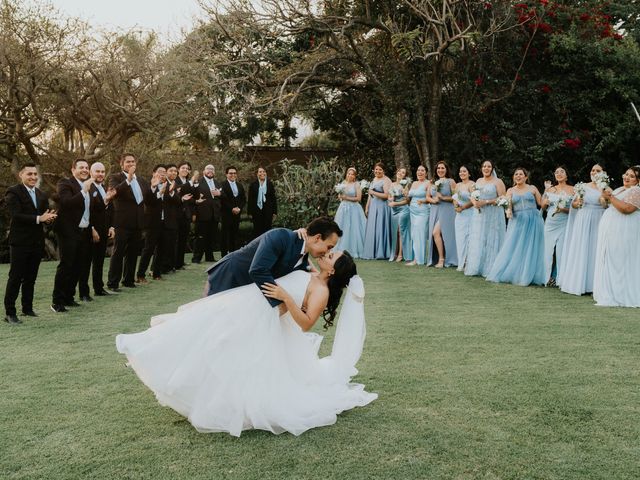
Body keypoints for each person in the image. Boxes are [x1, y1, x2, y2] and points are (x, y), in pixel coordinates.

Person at [116, 250, 377, 436]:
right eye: (329, 251)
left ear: (332, 270)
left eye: (331, 256)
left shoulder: (322, 290)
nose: (326, 253)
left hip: (272, 326)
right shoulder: (310, 271)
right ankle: (150, 351)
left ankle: (226, 404)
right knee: (207, 336)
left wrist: (285, 297)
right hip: (256, 314)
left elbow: (307, 323)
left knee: (238, 360)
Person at [205, 216, 342, 302]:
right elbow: (258, 270)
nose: (328, 252)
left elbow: (316, 278)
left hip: (245, 290)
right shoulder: (280, 236)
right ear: (318, 238)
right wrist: (281, 302)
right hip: (229, 276)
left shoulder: (303, 261)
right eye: (329, 247)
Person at [4, 164, 57, 324]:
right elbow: (16, 215)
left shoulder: (41, 194)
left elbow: (44, 216)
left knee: (30, 278)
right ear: (21, 175)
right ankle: (10, 313)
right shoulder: (13, 191)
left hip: (36, 242)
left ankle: (27, 308)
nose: (33, 177)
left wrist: (49, 218)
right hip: (20, 242)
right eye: (29, 174)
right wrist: (38, 218)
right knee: (15, 277)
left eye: (35, 174)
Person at [487, 167, 545, 286]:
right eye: (516, 174)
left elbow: (541, 203)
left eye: (521, 174)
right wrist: (508, 211)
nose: (518, 176)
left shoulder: (532, 188)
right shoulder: (510, 191)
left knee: (532, 247)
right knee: (516, 246)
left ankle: (530, 274)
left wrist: (548, 192)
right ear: (514, 177)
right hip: (518, 221)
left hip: (534, 220)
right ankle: (515, 273)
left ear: (526, 177)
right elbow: (508, 205)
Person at [557, 163, 607, 296]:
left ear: (603, 173)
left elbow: (606, 205)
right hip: (583, 218)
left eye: (598, 170)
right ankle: (578, 283)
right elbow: (574, 203)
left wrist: (603, 196)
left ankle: (593, 285)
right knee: (582, 247)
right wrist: (577, 203)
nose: (594, 172)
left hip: (598, 218)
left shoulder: (606, 189)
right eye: (592, 170)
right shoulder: (583, 186)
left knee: (595, 249)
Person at [593, 166, 640, 307]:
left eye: (631, 176)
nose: (626, 177)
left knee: (621, 261)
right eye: (626, 174)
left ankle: (622, 294)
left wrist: (610, 197)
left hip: (625, 231)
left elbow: (627, 209)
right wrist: (604, 196)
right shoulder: (620, 189)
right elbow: (608, 204)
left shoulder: (637, 191)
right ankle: (611, 292)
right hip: (613, 231)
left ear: (638, 181)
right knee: (611, 260)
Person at [51, 159, 93, 311]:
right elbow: (67, 203)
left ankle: (69, 297)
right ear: (73, 169)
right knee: (66, 265)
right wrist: (83, 191)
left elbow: (89, 210)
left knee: (78, 266)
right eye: (81, 167)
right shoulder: (65, 183)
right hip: (67, 230)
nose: (84, 170)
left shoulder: (88, 185)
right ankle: (57, 301)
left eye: (86, 167)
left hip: (84, 231)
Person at [107, 153, 148, 291]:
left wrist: (154, 188)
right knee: (118, 253)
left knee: (133, 252)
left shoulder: (141, 180)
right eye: (128, 162)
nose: (131, 164)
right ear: (122, 164)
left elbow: (147, 197)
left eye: (133, 161)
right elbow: (114, 193)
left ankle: (128, 280)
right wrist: (128, 179)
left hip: (137, 222)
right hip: (122, 222)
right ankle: (113, 283)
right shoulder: (115, 177)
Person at [464, 160, 506, 278]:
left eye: (488, 166)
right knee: (480, 238)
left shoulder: (498, 182)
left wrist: (486, 202)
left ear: (492, 168)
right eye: (484, 166)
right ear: (481, 168)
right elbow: (473, 196)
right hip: (479, 214)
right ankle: (478, 266)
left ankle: (491, 267)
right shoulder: (478, 181)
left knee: (492, 237)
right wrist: (475, 202)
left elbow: (503, 198)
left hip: (493, 214)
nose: (486, 168)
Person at [78, 162, 114, 298]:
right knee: (86, 263)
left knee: (99, 261)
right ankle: (84, 293)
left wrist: (111, 226)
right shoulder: (88, 187)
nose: (100, 174)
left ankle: (99, 288)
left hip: (104, 230)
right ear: (91, 173)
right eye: (97, 171)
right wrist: (92, 228)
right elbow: (89, 211)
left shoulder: (104, 188)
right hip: (90, 231)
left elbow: (109, 209)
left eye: (102, 171)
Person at [541, 166, 574, 286]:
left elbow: (575, 209)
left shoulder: (573, 189)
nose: (559, 174)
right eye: (556, 172)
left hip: (564, 222)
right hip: (550, 223)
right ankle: (545, 278)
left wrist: (563, 209)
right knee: (547, 250)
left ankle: (561, 279)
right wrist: (544, 203)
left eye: (562, 172)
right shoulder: (550, 190)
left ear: (566, 175)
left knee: (561, 251)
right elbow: (543, 206)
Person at [136, 165, 170, 282]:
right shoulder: (147, 185)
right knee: (148, 249)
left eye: (164, 172)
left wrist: (170, 193)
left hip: (165, 223)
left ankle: (156, 273)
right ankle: (140, 275)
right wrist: (158, 191)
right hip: (152, 223)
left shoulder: (168, 186)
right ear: (154, 173)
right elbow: (149, 202)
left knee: (162, 249)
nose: (162, 174)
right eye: (160, 172)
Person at [427, 161, 458, 268]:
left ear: (446, 169)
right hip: (435, 210)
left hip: (448, 210)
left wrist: (443, 198)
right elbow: (428, 196)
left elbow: (455, 197)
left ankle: (443, 259)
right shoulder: (432, 182)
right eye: (438, 168)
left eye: (443, 168)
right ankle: (440, 258)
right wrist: (433, 200)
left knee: (438, 233)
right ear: (436, 170)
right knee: (436, 234)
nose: (440, 170)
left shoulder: (451, 181)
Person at [191, 164, 221, 264]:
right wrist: (194, 213)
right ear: (204, 171)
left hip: (214, 215)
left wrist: (220, 194)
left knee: (211, 237)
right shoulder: (198, 183)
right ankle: (196, 258)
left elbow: (223, 196)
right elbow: (194, 198)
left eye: (212, 169)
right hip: (202, 214)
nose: (210, 171)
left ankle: (209, 257)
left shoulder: (217, 183)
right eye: (208, 169)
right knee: (200, 238)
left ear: (214, 172)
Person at [334, 167, 366, 258]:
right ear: (346, 174)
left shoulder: (356, 184)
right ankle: (341, 249)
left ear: (354, 176)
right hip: (343, 209)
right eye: (349, 173)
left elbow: (358, 198)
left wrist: (346, 198)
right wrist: (340, 196)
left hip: (354, 209)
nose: (350, 175)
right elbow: (340, 197)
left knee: (354, 228)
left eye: (352, 174)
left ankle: (354, 250)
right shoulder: (343, 183)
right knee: (343, 227)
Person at [362, 162, 392, 260]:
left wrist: (373, 192)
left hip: (382, 207)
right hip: (373, 206)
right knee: (373, 228)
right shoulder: (374, 180)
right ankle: (372, 252)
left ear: (383, 171)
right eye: (376, 169)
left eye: (380, 169)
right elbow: (370, 196)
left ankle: (381, 252)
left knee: (380, 228)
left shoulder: (386, 180)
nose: (377, 171)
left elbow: (387, 196)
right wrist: (367, 207)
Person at [159, 164, 181, 274]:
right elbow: (164, 200)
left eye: (175, 171)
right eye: (171, 171)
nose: (174, 173)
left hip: (173, 218)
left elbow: (178, 201)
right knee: (164, 244)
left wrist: (173, 192)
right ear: (166, 172)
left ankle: (169, 266)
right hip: (164, 219)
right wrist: (171, 191)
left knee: (171, 243)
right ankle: (161, 267)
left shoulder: (174, 184)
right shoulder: (163, 182)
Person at [220, 166, 246, 257]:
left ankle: (233, 253)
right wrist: (232, 208)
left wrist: (239, 208)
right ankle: (224, 255)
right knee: (225, 235)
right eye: (231, 173)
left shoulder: (239, 185)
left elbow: (243, 199)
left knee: (234, 234)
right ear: (226, 174)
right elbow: (223, 200)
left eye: (234, 173)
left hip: (237, 214)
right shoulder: (222, 185)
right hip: (226, 214)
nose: (233, 175)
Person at [406, 165, 430, 266]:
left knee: (420, 234)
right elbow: (409, 197)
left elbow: (430, 198)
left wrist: (423, 200)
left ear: (426, 173)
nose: (420, 172)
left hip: (422, 211)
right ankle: (417, 257)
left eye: (422, 170)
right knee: (414, 234)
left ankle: (418, 259)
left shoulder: (428, 183)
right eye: (418, 170)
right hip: (412, 211)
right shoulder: (414, 183)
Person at [387, 167, 412, 263]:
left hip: (403, 209)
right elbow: (389, 196)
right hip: (394, 210)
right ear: (397, 172)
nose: (401, 173)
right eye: (400, 171)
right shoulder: (392, 184)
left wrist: (395, 203)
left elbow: (407, 201)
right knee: (395, 231)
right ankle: (395, 253)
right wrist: (390, 199)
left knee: (401, 231)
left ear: (405, 176)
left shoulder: (405, 186)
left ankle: (401, 254)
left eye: (403, 173)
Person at [453, 165, 475, 272]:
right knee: (460, 238)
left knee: (470, 239)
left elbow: (474, 199)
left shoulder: (472, 184)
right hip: (459, 216)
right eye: (460, 171)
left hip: (470, 213)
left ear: (469, 173)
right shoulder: (457, 185)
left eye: (464, 171)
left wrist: (463, 207)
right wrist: (456, 207)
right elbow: (454, 198)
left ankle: (469, 262)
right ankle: (461, 262)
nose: (462, 173)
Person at [247, 166, 278, 238]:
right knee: (257, 231)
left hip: (268, 211)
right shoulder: (253, 185)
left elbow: (273, 198)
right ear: (257, 174)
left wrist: (275, 212)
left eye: (264, 171)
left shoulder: (270, 184)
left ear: (266, 173)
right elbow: (250, 199)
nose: (262, 173)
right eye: (260, 172)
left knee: (267, 230)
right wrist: (249, 212)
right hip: (256, 211)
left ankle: (267, 247)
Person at [174, 161, 194, 269]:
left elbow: (192, 196)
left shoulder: (188, 182)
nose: (185, 170)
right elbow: (179, 191)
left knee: (183, 240)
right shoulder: (175, 181)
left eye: (187, 168)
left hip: (186, 214)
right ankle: (174, 263)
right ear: (178, 169)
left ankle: (180, 262)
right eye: (183, 168)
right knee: (176, 240)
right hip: (176, 214)